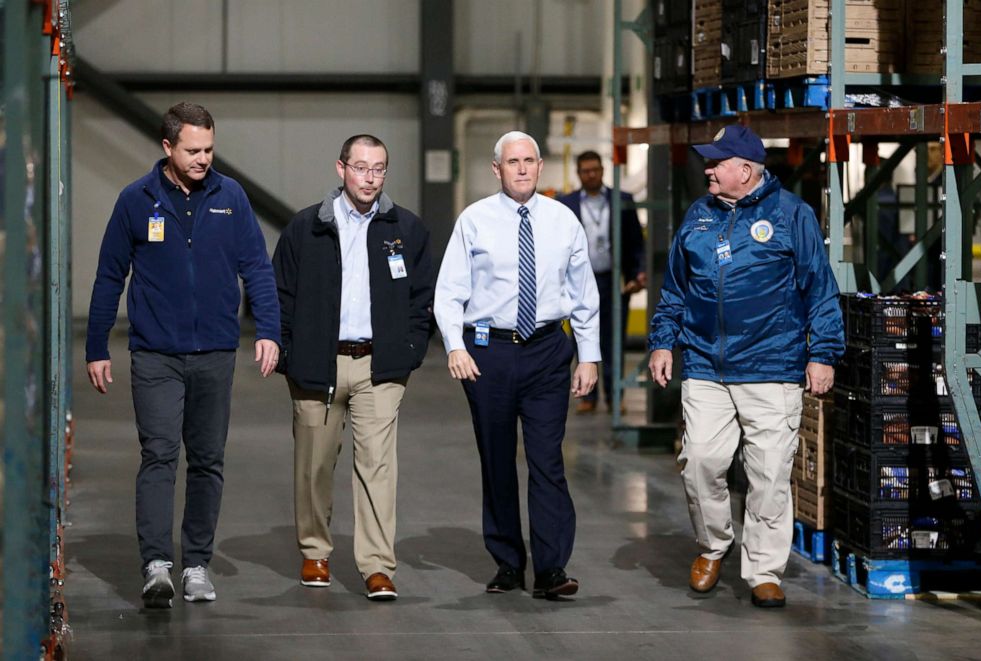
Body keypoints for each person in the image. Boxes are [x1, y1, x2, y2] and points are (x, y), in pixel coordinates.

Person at [85, 102, 280, 608]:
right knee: (159, 455)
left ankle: (196, 564)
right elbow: (110, 275)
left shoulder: (230, 197)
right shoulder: (136, 200)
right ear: (167, 147)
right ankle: (156, 565)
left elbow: (257, 267)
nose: (203, 159)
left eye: (209, 149)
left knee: (208, 461)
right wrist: (96, 344)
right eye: (193, 150)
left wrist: (269, 331)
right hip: (155, 355)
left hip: (215, 352)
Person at [647, 125, 844, 608]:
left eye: (717, 163)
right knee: (700, 463)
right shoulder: (698, 216)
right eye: (708, 163)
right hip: (705, 365)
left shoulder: (791, 215)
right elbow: (675, 288)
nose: (708, 170)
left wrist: (823, 353)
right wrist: (662, 343)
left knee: (770, 474)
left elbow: (819, 287)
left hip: (772, 365)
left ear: (746, 170)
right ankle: (714, 545)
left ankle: (763, 570)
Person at [434, 131, 600, 600]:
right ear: (497, 169)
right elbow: (449, 291)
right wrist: (455, 346)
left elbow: (584, 293)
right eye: (513, 162)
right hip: (489, 353)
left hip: (548, 350)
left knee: (548, 460)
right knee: (498, 458)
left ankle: (551, 567)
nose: (522, 169)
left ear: (541, 165)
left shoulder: (563, 221)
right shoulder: (475, 221)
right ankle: (508, 562)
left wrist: (589, 355)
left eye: (529, 160)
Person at [272, 134, 432, 601]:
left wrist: (409, 350)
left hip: (379, 367)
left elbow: (423, 297)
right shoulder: (307, 228)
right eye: (361, 168)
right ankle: (315, 552)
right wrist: (288, 354)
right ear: (341, 169)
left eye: (379, 168)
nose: (370, 177)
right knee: (314, 466)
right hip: (316, 367)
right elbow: (279, 294)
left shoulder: (406, 229)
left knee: (378, 468)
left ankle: (378, 566)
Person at [557, 151, 646, 413]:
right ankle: (588, 396)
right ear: (578, 173)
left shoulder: (622, 200)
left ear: (603, 170)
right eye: (585, 171)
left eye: (595, 169)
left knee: (613, 339)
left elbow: (637, 244)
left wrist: (636, 273)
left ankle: (614, 396)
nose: (591, 174)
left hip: (614, 281)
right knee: (580, 337)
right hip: (578, 282)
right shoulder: (566, 204)